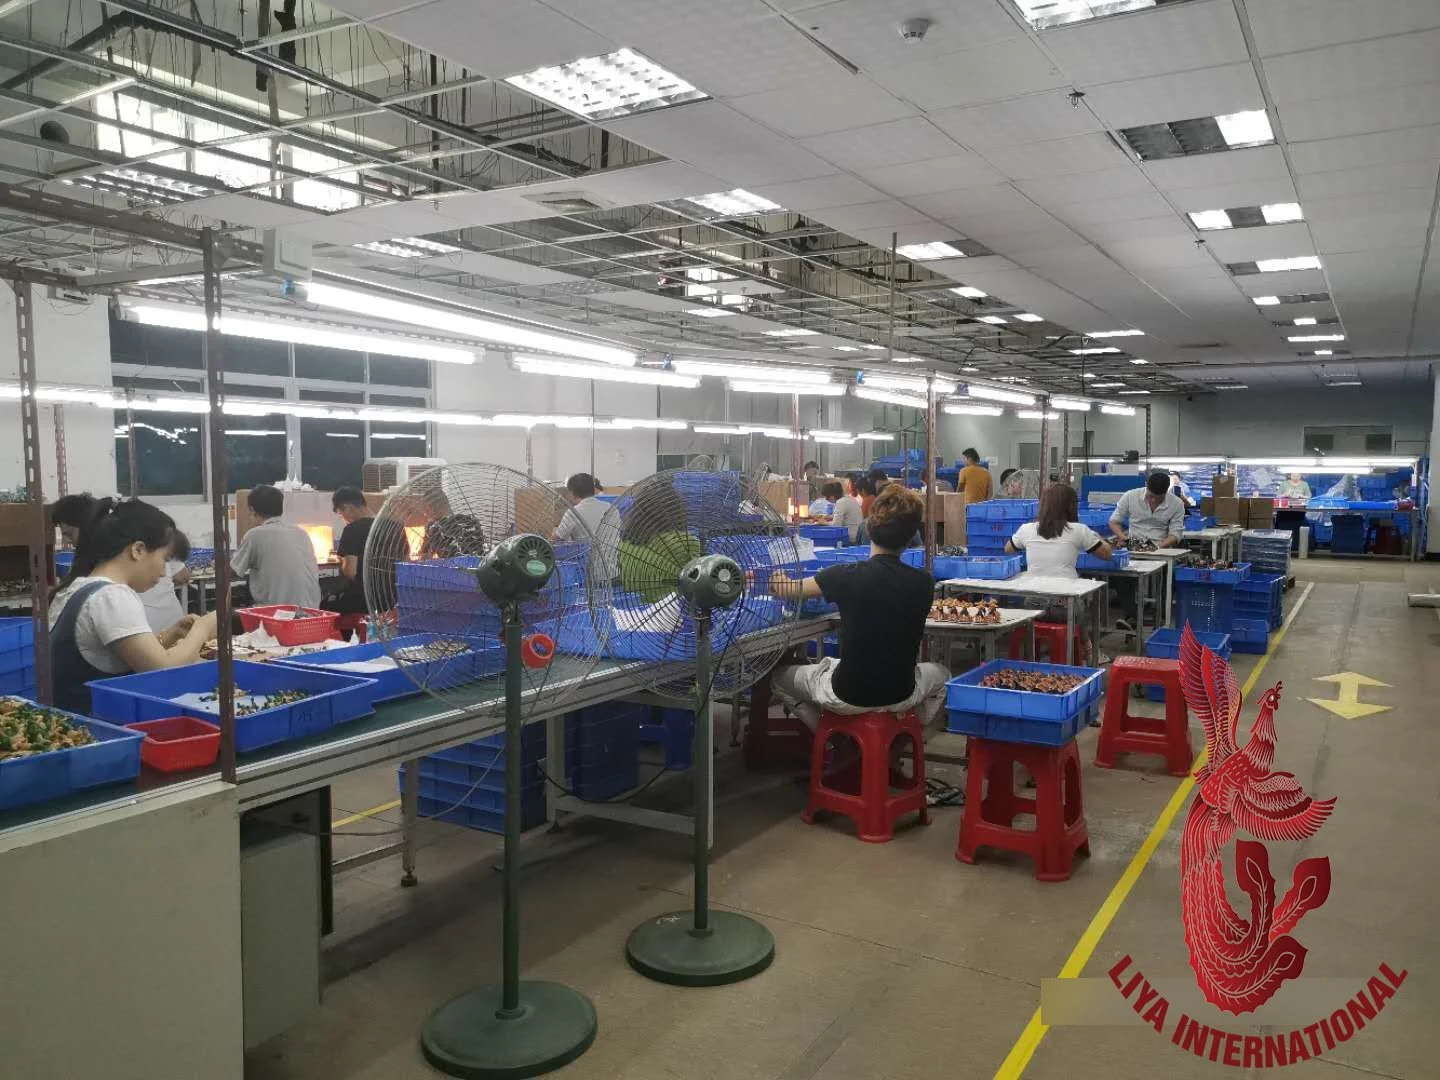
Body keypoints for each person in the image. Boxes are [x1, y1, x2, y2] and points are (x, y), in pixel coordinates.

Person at [769, 484, 947, 729]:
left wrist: (774, 577)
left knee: (778, 677)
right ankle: (902, 734)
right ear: (910, 536)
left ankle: (831, 736)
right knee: (943, 675)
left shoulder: (845, 576)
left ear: (870, 527)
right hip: (902, 692)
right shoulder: (925, 583)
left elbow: (789, 590)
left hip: (848, 693)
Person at [48, 499, 215, 714]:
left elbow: (108, 654)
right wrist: (204, 627)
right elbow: (163, 669)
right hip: (99, 727)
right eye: (164, 559)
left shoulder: (79, 587)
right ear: (137, 550)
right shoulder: (112, 597)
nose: (165, 572)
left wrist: (168, 637)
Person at [231, 485, 322, 609]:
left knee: (227, 615)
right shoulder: (301, 532)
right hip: (311, 611)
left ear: (252, 510)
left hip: (276, 615)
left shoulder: (255, 535)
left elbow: (233, 571)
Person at [617, 479, 701, 603]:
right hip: (674, 614)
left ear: (638, 510)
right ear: (677, 510)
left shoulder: (624, 543)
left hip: (631, 612)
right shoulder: (688, 542)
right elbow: (697, 584)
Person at [1006, 484, 1112, 578]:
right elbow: (1106, 554)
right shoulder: (1079, 530)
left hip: (1034, 593)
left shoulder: (1026, 529)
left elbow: (1008, 549)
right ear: (1071, 506)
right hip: (1066, 594)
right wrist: (1096, 536)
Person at [1109, 471, 1185, 549]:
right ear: (1146, 485)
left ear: (1166, 491)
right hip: (1132, 547)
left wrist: (1157, 547)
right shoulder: (1130, 496)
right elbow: (1114, 522)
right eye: (1150, 496)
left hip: (1161, 549)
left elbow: (1176, 533)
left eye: (1159, 498)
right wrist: (1126, 540)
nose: (1153, 500)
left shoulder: (1177, 504)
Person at [138, 529, 192, 633]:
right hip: (156, 622)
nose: (163, 573)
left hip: (169, 622)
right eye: (166, 560)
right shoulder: (162, 545)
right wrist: (203, 630)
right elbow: (183, 576)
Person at [554, 473, 610, 542]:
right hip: (612, 552)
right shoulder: (611, 508)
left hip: (586, 552)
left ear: (572, 492)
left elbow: (557, 538)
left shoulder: (573, 513)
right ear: (593, 489)